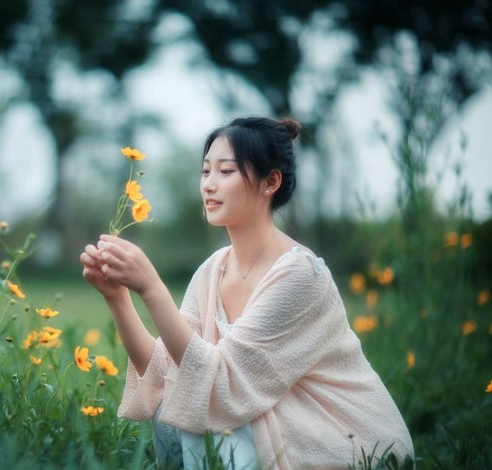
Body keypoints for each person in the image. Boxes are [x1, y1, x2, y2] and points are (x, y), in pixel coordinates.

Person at [80, 116, 414, 469]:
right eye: (205, 172)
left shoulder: (300, 275)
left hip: (344, 442)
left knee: (206, 416)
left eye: (226, 172)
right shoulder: (213, 270)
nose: (209, 185)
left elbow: (221, 385)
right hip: (267, 426)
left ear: (271, 181)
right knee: (174, 407)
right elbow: (165, 369)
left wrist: (152, 287)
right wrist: (117, 297)